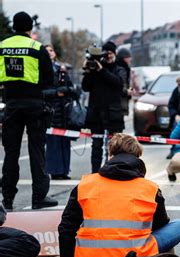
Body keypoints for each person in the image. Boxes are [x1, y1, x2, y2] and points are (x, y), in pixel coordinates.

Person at [58, 133, 180, 257]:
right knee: (179, 226)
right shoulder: (150, 189)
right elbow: (160, 225)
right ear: (137, 157)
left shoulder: (85, 185)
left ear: (110, 156)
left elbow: (66, 229)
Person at [0, 11, 57, 210]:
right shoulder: (36, 47)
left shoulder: (2, 47)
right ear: (29, 27)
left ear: (14, 26)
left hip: (12, 104)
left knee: (11, 153)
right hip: (34, 105)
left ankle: (7, 198)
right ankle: (39, 197)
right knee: (36, 151)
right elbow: (50, 79)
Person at [82, 41, 127, 173]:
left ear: (115, 54)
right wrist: (88, 71)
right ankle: (95, 173)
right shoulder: (94, 69)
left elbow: (118, 84)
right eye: (106, 54)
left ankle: (113, 172)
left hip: (113, 114)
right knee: (96, 145)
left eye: (111, 53)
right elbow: (85, 87)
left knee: (116, 146)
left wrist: (102, 70)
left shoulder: (119, 69)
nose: (108, 56)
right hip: (97, 114)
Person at [44, 44, 78, 180]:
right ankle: (55, 171)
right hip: (51, 111)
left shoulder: (61, 69)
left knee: (64, 143)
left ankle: (64, 170)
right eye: (46, 51)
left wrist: (66, 90)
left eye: (51, 50)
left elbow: (72, 88)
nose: (50, 53)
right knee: (53, 144)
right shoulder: (41, 70)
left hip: (64, 112)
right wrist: (56, 93)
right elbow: (41, 91)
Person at [116, 47, 132, 116]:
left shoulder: (122, 68)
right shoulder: (122, 70)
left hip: (120, 104)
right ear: (124, 58)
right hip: (119, 104)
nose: (130, 59)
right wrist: (127, 92)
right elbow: (119, 85)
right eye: (129, 57)